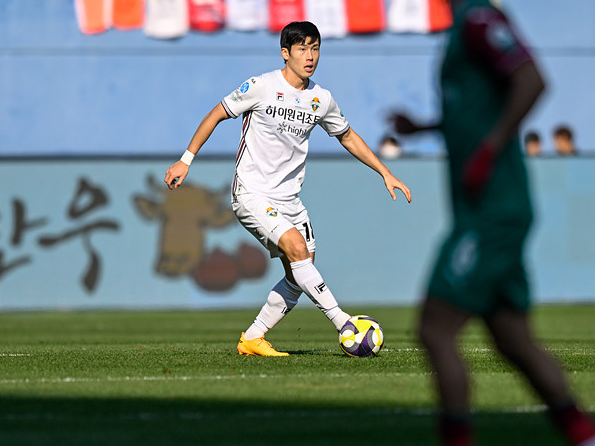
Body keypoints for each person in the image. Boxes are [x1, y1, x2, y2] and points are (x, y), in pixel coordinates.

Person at [389, 0, 595, 446]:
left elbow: (530, 80)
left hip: (491, 209)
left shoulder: (478, 18)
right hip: (489, 204)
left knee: (435, 328)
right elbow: (485, 102)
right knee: (511, 338)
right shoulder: (468, 22)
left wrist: (491, 147)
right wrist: (427, 128)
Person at [163, 21, 412, 357]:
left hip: (289, 198)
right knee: (296, 248)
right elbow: (216, 114)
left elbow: (348, 136)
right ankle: (344, 323)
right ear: (285, 53)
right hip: (252, 192)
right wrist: (186, 159)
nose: (310, 56)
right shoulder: (260, 86)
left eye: (315, 48)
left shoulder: (321, 99)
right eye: (302, 49)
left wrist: (385, 172)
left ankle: (253, 338)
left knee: (300, 272)